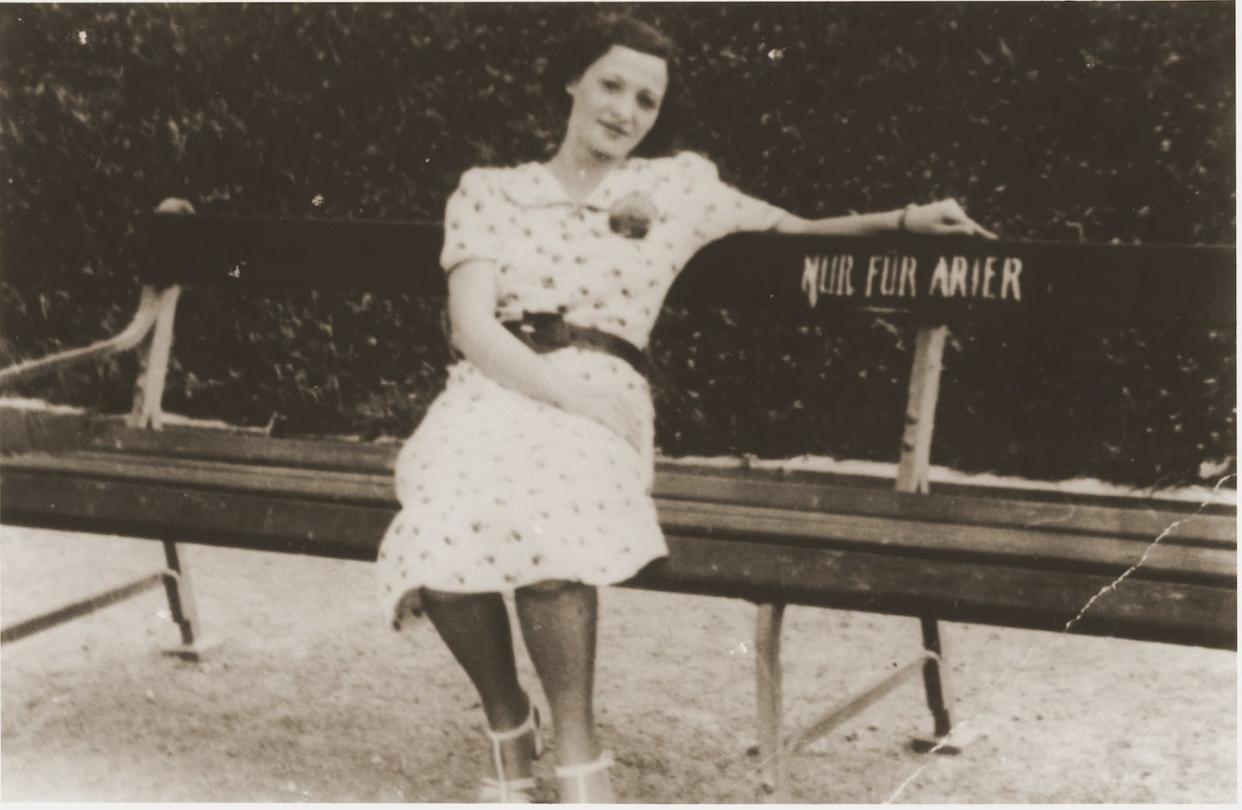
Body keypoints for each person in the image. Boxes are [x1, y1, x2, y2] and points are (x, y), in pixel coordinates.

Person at [375, 14, 993, 803]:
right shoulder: (491, 190)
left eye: (646, 99)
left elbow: (795, 232)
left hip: (604, 385)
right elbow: (471, 325)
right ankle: (507, 722)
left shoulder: (680, 188)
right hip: (497, 386)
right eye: (610, 85)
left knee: (552, 521)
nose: (625, 110)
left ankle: (577, 758)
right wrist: (562, 394)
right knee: (437, 528)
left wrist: (904, 221)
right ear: (572, 81)